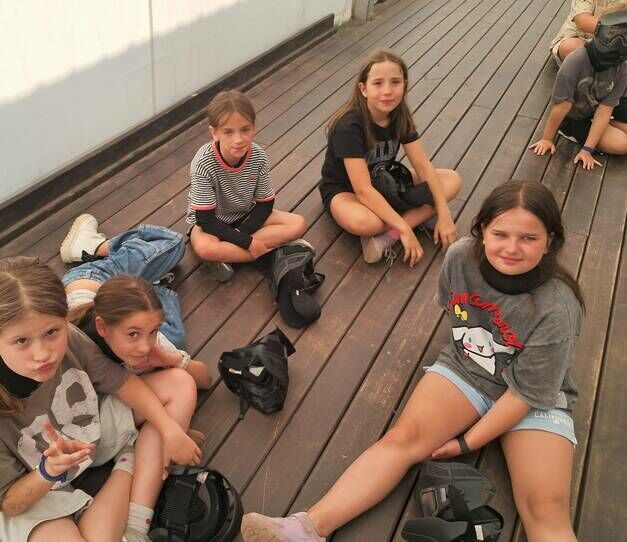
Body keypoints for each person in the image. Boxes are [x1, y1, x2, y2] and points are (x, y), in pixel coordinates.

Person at [241, 180, 584, 542]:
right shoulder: (460, 258)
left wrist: (467, 442)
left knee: (545, 509)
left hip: (531, 398)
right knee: (403, 439)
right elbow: (458, 317)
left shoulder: (558, 305)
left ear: (550, 241)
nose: (512, 248)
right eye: (501, 234)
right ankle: (305, 529)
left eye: (529, 238)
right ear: (483, 230)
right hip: (470, 369)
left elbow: (525, 394)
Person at [0, 257, 201, 542]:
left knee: (179, 384)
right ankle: (134, 455)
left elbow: (120, 381)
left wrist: (170, 430)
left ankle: (136, 523)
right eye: (21, 341)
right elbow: (6, 503)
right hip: (27, 484)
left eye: (52, 332)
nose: (43, 354)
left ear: (64, 319)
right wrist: (48, 471)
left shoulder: (70, 337)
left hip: (82, 435)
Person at [318, 48, 462, 268]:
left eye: (395, 82)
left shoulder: (399, 116)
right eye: (378, 83)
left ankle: (388, 236)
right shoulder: (349, 126)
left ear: (404, 85)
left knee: (452, 180)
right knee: (365, 222)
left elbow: (423, 167)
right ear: (363, 89)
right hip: (347, 190)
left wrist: (444, 213)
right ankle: (409, 221)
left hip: (386, 181)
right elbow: (362, 190)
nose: (387, 91)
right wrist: (405, 229)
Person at [186, 90, 309, 282]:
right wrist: (249, 243)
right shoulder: (203, 163)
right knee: (205, 247)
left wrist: (242, 236)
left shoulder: (258, 156)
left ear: (253, 128)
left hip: (246, 215)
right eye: (228, 132)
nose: (238, 139)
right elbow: (205, 220)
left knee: (298, 223)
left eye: (245, 129)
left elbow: (265, 205)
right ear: (214, 133)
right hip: (211, 223)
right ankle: (270, 254)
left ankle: (228, 256)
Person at [60, 214, 188, 349]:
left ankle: (95, 246)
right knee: (174, 340)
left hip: (91, 281)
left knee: (173, 243)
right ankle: (152, 285)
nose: (144, 348)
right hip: (106, 298)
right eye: (133, 334)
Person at [69, 274, 212, 389]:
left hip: (101, 293)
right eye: (133, 334)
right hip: (84, 282)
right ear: (102, 328)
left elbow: (206, 380)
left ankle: (159, 291)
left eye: (153, 331)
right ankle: (161, 291)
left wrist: (172, 359)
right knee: (176, 337)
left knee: (176, 339)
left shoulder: (154, 343)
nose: (145, 347)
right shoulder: (77, 348)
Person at [531, 6, 627, 168]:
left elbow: (605, 110)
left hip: (599, 107)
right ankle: (571, 132)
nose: (619, 42)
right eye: (613, 34)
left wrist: (588, 149)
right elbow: (561, 106)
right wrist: (547, 139)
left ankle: (605, 127)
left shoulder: (622, 67)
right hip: (575, 116)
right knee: (621, 144)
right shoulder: (576, 60)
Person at [550, 0, 620, 64]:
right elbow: (583, 22)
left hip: (617, 44)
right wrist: (615, 31)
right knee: (570, 47)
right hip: (581, 37)